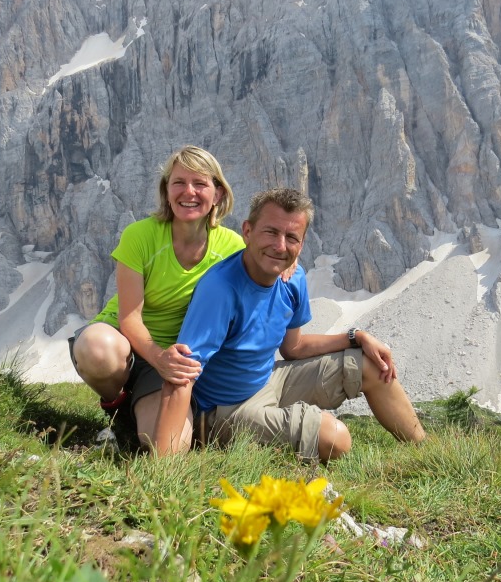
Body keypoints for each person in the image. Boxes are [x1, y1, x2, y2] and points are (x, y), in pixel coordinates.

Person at [157, 187, 427, 462]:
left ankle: (425, 452)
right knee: (336, 438)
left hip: (268, 381)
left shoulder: (293, 278)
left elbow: (294, 348)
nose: (280, 246)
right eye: (271, 232)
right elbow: (181, 374)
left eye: (291, 237)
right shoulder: (220, 290)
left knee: (371, 365)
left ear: (302, 242)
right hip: (222, 410)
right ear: (247, 231)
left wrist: (356, 336)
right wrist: (164, 465)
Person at [68, 146, 243, 454]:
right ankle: (117, 409)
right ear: (166, 191)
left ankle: (139, 413)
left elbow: (260, 273)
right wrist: (159, 358)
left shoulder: (231, 247)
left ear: (217, 194)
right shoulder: (140, 235)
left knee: (168, 448)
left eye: (200, 183)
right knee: (98, 350)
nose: (188, 192)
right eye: (178, 182)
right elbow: (130, 319)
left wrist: (287, 265)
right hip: (125, 341)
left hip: (172, 359)